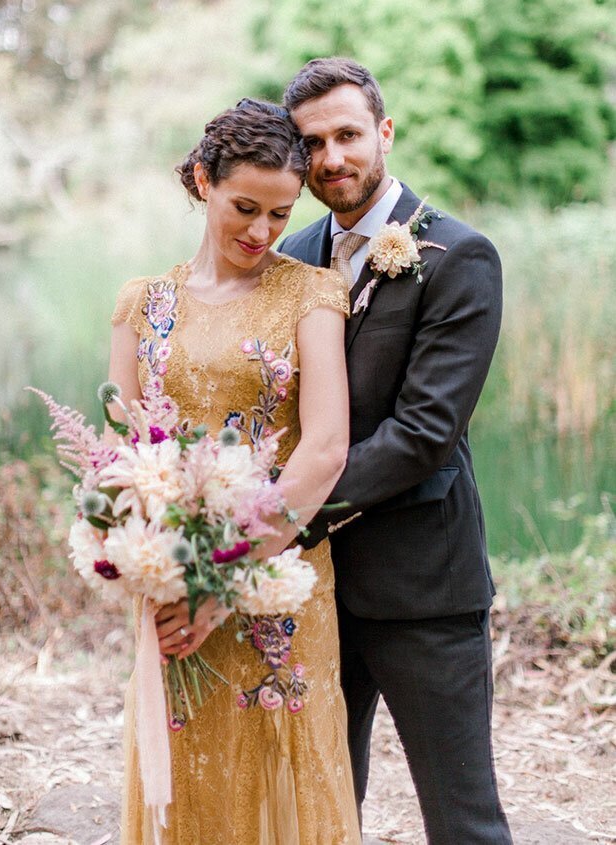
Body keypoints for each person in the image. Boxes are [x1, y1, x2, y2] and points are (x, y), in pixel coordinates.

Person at [108, 98, 361, 844]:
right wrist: (150, 562)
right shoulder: (141, 304)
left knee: (282, 784)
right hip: (175, 590)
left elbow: (326, 448)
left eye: (281, 215)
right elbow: (122, 452)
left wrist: (225, 579)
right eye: (245, 207)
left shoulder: (311, 294)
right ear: (201, 180)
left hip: (274, 586)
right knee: (184, 781)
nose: (261, 232)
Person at [279, 58, 513, 844]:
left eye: (348, 134)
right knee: (323, 810)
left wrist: (284, 515)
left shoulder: (459, 255)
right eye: (313, 144)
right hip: (310, 594)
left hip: (424, 589)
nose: (333, 157)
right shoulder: (292, 253)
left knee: (463, 821)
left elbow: (421, 433)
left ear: (384, 132)